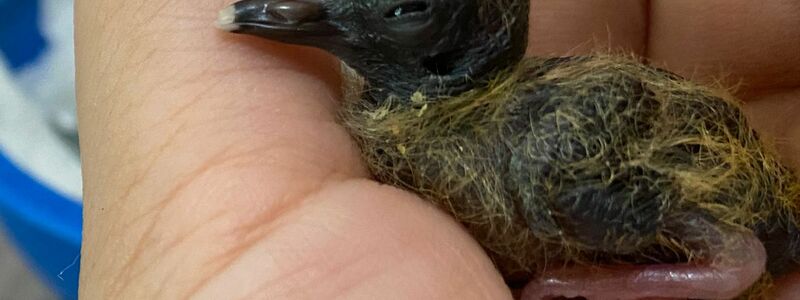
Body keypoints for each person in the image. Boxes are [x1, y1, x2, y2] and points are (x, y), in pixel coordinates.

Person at [75, 0, 800, 298]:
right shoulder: (446, 129)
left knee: (562, 174)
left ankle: (722, 262)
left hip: (728, 222)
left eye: (406, 11)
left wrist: (568, 285)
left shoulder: (537, 140)